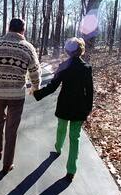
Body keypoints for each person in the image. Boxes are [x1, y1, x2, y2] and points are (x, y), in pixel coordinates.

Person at [0, 18, 42, 174]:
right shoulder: (28, 48)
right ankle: (7, 164)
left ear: (8, 28)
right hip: (16, 95)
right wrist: (35, 87)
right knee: (12, 129)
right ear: (23, 30)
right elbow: (35, 71)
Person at [33, 37, 94, 182]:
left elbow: (53, 87)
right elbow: (90, 91)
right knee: (75, 138)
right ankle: (71, 170)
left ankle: (58, 148)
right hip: (79, 108)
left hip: (65, 105)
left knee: (61, 128)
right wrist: (88, 109)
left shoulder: (63, 66)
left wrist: (37, 93)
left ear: (67, 51)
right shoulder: (86, 68)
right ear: (81, 50)